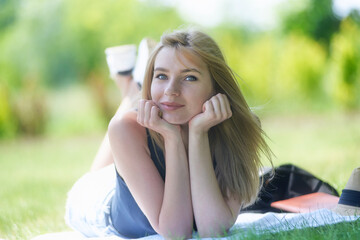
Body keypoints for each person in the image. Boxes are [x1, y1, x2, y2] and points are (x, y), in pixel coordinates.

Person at [65, 28, 273, 239]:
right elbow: (176, 233)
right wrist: (172, 137)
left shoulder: (238, 127)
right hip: (98, 203)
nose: (171, 90)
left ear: (216, 87)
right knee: (119, 132)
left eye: (189, 78)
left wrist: (198, 134)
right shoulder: (125, 128)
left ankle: (132, 88)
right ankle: (130, 92)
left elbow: (213, 229)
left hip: (135, 169)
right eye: (161, 75)